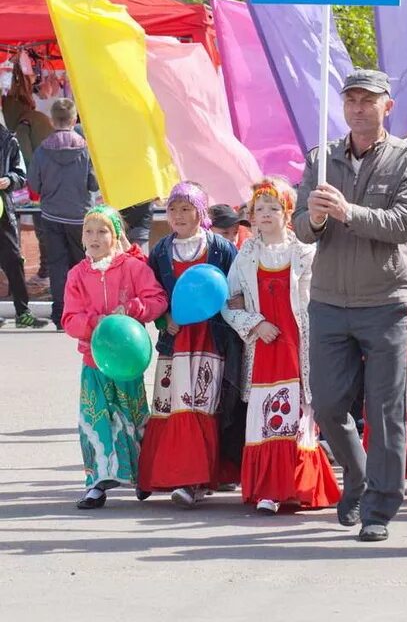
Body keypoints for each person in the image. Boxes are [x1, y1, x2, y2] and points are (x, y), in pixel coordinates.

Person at [293, 68, 407, 543]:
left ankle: (380, 508)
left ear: (387, 106)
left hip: (384, 301)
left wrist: (349, 212)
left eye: (368, 100)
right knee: (328, 405)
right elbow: (300, 228)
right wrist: (311, 218)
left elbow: (405, 223)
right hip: (328, 300)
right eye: (351, 99)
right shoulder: (321, 158)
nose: (357, 107)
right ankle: (358, 473)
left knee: (386, 408)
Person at [222, 177, 340, 514]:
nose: (266, 214)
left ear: (287, 213)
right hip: (263, 348)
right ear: (252, 215)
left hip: (297, 347)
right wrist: (255, 324)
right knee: (265, 417)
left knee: (298, 414)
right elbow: (229, 303)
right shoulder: (245, 255)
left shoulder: (304, 252)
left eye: (274, 207)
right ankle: (268, 490)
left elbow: (320, 297)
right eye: (260, 209)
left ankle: (298, 485)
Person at [137, 181, 240, 507]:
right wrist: (163, 316)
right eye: (173, 209)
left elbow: (236, 288)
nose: (179, 215)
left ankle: (194, 479)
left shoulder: (221, 248)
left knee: (201, 405)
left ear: (201, 212)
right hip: (175, 339)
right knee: (170, 406)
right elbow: (152, 292)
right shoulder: (162, 251)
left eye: (186, 209)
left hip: (211, 338)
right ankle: (164, 473)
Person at [61, 206, 167, 508]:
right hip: (94, 361)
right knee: (95, 419)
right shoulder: (77, 275)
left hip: (128, 361)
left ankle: (143, 476)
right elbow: (70, 318)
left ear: (116, 235)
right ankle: (97, 482)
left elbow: (156, 300)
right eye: (89, 231)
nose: (94, 238)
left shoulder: (134, 268)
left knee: (132, 418)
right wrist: (97, 323)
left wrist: (132, 309)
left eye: (102, 231)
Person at [27, 98, 98, 328]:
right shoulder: (86, 149)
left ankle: (60, 314)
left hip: (51, 216)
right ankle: (84, 310)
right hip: (79, 216)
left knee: (57, 266)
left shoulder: (42, 150)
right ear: (74, 118)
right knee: (83, 264)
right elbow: (94, 184)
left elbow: (34, 186)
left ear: (51, 120)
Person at [0, 120, 44, 328]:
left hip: (3, 211)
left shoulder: (9, 140)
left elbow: (21, 175)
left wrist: (9, 179)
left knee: (14, 259)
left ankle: (22, 312)